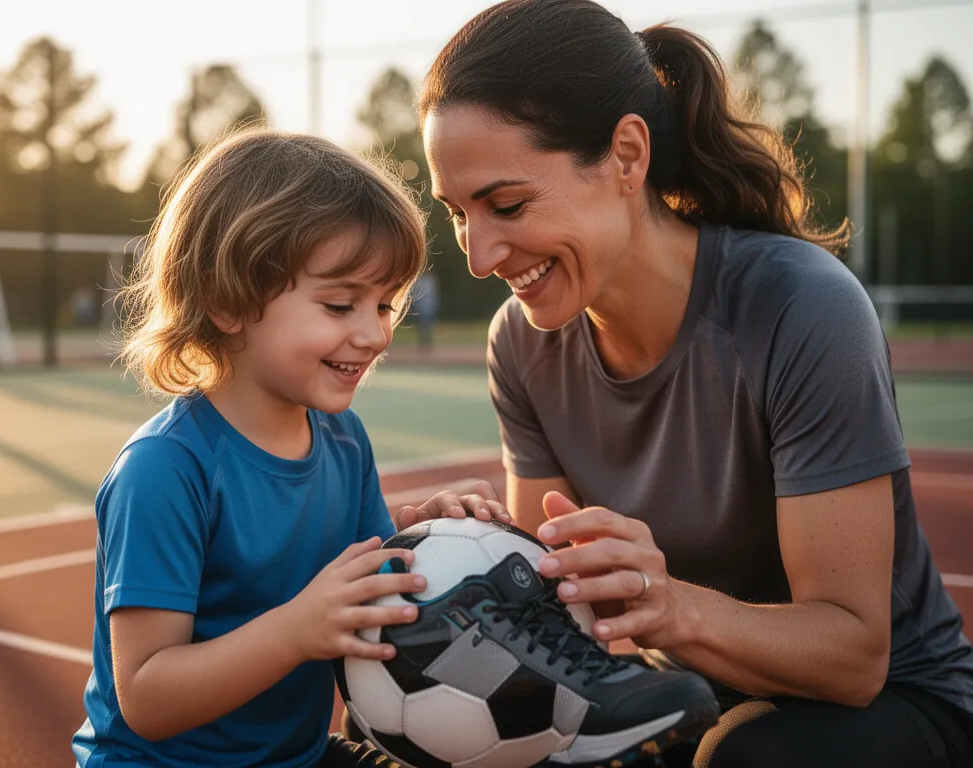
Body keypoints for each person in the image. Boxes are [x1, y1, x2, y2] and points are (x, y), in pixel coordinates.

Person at [417, 1, 973, 766]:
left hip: (892, 704)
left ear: (627, 154)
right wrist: (475, 555)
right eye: (457, 213)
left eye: (507, 204)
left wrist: (670, 606)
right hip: (692, 692)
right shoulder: (519, 344)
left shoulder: (802, 307)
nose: (479, 256)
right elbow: (566, 620)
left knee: (747, 757)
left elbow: (853, 657)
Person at [71, 128, 510, 768]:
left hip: (296, 756)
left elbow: (369, 591)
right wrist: (297, 631)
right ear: (228, 301)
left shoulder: (342, 439)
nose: (372, 334)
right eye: (340, 305)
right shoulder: (164, 470)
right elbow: (145, 695)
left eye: (384, 304)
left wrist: (427, 540)